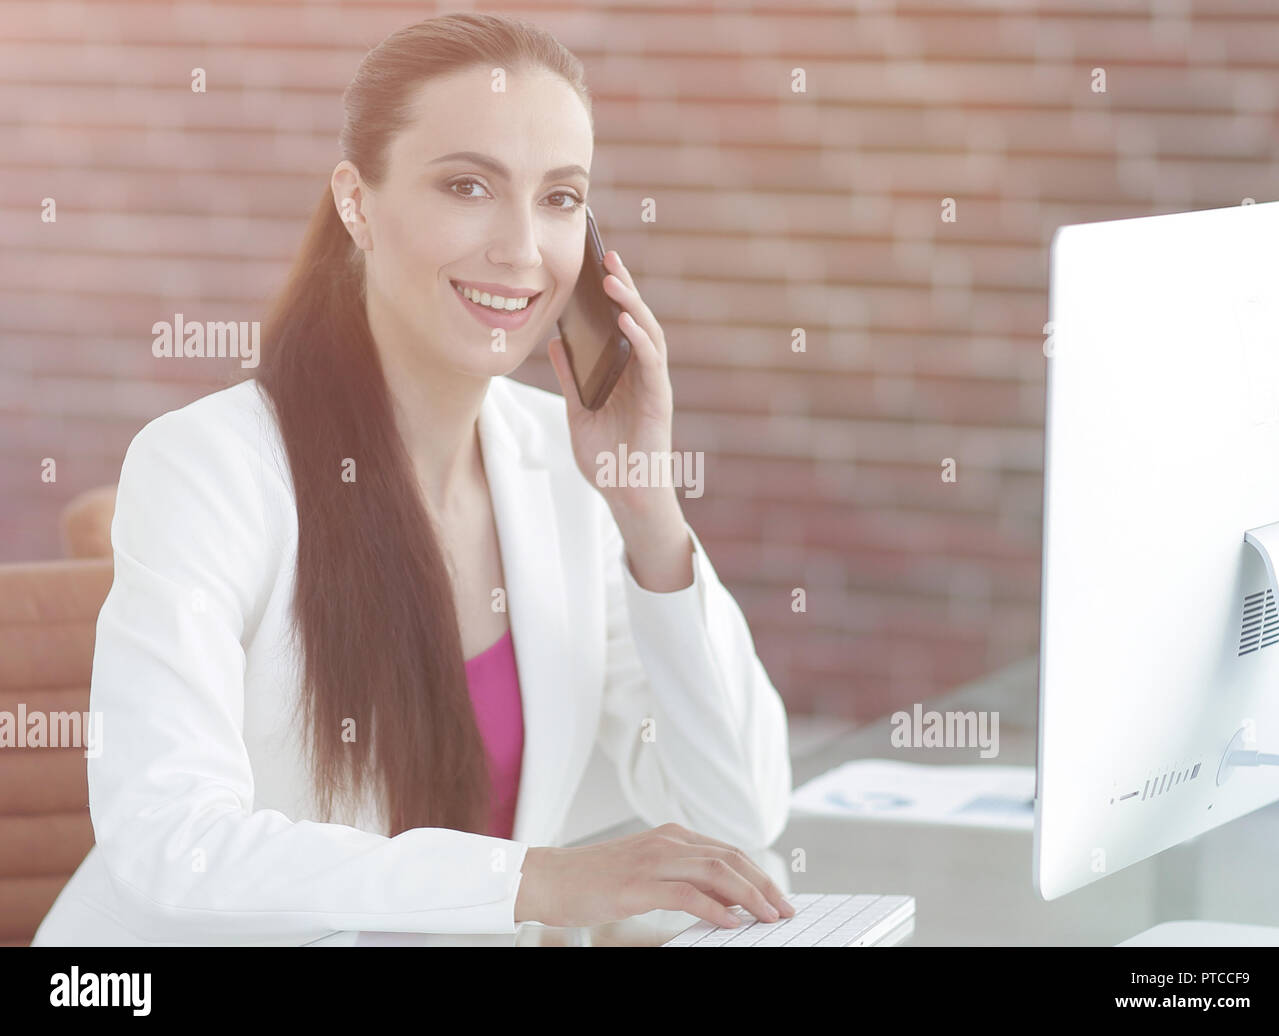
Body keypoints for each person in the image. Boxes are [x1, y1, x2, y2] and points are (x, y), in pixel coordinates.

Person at [31, 11, 793, 946]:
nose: (521, 248)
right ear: (357, 203)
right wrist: (540, 886)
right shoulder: (208, 467)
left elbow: (741, 811)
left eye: (559, 199)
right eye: (469, 186)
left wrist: (646, 504)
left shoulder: (563, 466)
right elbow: (170, 842)